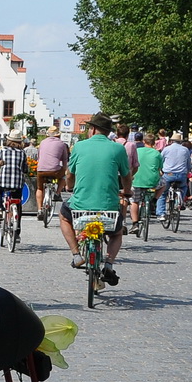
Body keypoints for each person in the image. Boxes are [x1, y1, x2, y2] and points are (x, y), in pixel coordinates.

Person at [59, 114, 132, 282]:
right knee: (116, 233)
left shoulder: (79, 146)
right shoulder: (118, 149)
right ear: (108, 131)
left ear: (92, 129)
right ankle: (109, 264)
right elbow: (126, 176)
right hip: (108, 208)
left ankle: (76, 255)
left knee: (63, 217)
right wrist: (127, 191)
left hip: (80, 207)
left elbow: (69, 174)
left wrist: (70, 187)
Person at [129, 133, 163, 231]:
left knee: (134, 201)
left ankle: (135, 224)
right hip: (152, 181)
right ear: (154, 142)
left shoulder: (137, 151)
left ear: (144, 141)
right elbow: (160, 168)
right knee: (164, 184)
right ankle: (154, 200)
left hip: (136, 180)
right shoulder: (157, 153)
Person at [158, 133, 192, 220]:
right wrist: (187, 171)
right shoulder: (185, 150)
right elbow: (188, 163)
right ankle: (180, 201)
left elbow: (160, 160)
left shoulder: (166, 149)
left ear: (172, 141)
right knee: (183, 187)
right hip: (181, 174)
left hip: (168, 174)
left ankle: (161, 213)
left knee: (162, 193)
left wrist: (161, 169)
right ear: (180, 141)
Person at [0, 136, 28, 216]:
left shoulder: (2, 151)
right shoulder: (22, 153)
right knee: (17, 196)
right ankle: (17, 215)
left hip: (3, 181)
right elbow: (25, 169)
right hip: (17, 182)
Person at [33, 130, 66, 214]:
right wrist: (64, 168)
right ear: (58, 136)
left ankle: (39, 210)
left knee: (40, 188)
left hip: (41, 170)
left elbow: (39, 156)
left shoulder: (42, 143)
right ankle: (57, 193)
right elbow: (65, 159)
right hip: (55, 171)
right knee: (64, 177)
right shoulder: (62, 144)